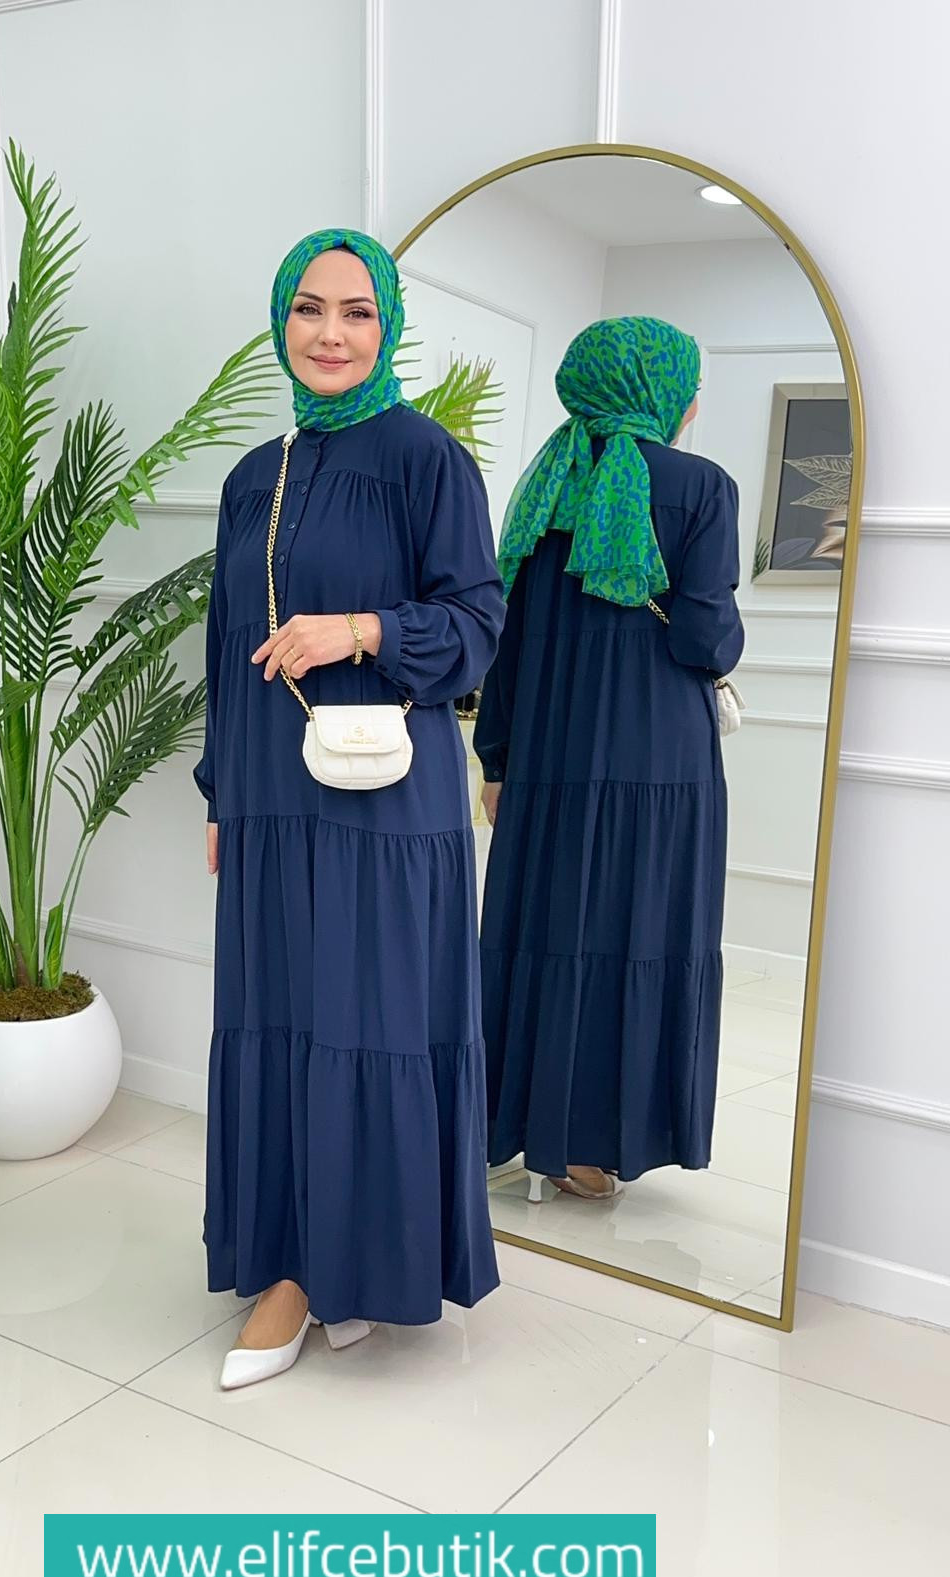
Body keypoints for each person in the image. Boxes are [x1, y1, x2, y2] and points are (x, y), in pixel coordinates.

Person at [193, 228, 505, 1390]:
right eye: (310, 309)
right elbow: (226, 646)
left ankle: (350, 1263)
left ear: (389, 327)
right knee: (283, 1015)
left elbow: (479, 625)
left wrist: (362, 630)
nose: (331, 333)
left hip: (387, 804)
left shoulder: (428, 459)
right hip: (271, 796)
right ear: (282, 320)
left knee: (368, 1021)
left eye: (357, 312)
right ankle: (298, 1259)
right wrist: (219, 791)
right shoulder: (252, 477)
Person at [473, 316, 744, 1200]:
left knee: (541, 932)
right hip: (656, 762)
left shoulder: (546, 484)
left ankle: (509, 1126)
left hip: (546, 754)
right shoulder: (702, 486)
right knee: (639, 934)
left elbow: (505, 640)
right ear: (667, 395)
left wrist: (496, 760)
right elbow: (706, 639)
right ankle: (591, 1149)